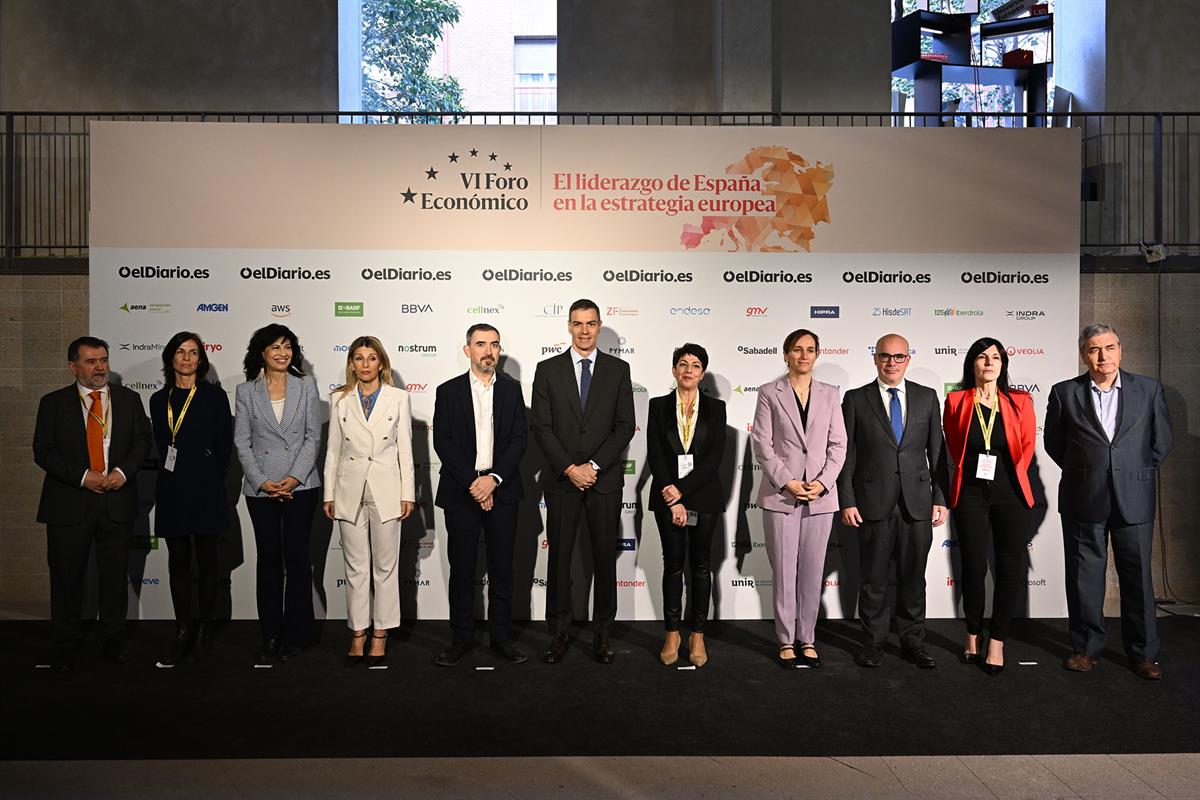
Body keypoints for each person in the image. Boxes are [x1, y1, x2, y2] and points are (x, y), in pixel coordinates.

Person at [1045, 323, 1173, 680]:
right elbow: (1055, 444)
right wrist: (1088, 469)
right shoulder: (1064, 393)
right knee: (1085, 577)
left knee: (1138, 578)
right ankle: (1085, 649)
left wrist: (1132, 470)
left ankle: (1144, 654)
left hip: (1135, 495)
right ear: (1084, 354)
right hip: (1084, 496)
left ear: (1121, 349)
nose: (1103, 356)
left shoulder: (1148, 389)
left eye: (1110, 347)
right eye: (1094, 349)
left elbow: (1161, 441)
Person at [33, 336, 151, 670]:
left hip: (117, 500)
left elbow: (142, 442)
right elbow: (43, 451)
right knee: (67, 577)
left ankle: (113, 639)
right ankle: (66, 641)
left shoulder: (129, 399)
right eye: (90, 361)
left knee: (114, 577)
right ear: (73, 366)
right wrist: (85, 477)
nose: (99, 368)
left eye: (103, 360)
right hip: (69, 503)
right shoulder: (53, 403)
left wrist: (121, 473)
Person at [531, 299, 635, 664]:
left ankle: (603, 634)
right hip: (562, 482)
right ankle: (558, 633)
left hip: (603, 481)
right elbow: (541, 427)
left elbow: (624, 427)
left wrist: (591, 465)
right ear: (569, 326)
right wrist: (570, 468)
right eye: (578, 324)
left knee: (605, 559)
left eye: (591, 324)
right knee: (558, 559)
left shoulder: (619, 370)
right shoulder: (547, 369)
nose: (585, 330)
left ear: (600, 325)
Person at [839, 333, 948, 668]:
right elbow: (847, 455)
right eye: (885, 356)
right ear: (875, 358)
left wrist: (940, 497)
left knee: (914, 577)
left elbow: (938, 453)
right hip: (872, 502)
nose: (891, 363)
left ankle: (913, 642)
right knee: (873, 578)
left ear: (908, 359)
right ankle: (873, 642)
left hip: (917, 504)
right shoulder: (856, 399)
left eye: (898, 357)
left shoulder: (927, 397)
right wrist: (847, 499)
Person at [433, 324, 529, 667]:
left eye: (494, 345)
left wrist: (493, 480)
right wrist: (474, 483)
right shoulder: (448, 391)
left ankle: (501, 638)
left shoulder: (513, 390)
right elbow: (442, 441)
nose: (488, 351)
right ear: (467, 349)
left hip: (502, 491)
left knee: (503, 568)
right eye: (480, 344)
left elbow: (519, 438)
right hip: (461, 493)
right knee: (461, 569)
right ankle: (461, 638)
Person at [752, 329, 846, 669]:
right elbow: (763, 445)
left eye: (810, 350)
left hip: (820, 498)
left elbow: (839, 445)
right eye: (797, 349)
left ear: (817, 355)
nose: (803, 355)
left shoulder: (830, 394)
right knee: (784, 571)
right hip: (782, 496)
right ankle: (785, 641)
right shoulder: (768, 393)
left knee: (812, 572)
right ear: (786, 354)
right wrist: (788, 481)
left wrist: (821, 483)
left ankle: (808, 639)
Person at [942, 337, 1036, 675]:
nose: (989, 363)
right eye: (982, 357)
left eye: (995, 357)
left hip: (1009, 493)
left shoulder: (1020, 401)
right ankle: (972, 635)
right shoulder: (955, 400)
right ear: (972, 364)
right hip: (970, 492)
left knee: (1009, 568)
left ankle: (997, 640)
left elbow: (1026, 448)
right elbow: (954, 447)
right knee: (972, 567)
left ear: (1003, 364)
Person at [323, 336, 415, 668]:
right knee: (356, 567)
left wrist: (408, 494)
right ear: (351, 363)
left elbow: (405, 449)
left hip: (387, 488)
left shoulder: (398, 398)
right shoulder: (339, 399)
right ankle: (358, 631)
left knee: (386, 568)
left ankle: (381, 632)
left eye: (371, 358)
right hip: (349, 488)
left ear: (381, 363)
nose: (365, 364)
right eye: (359, 358)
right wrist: (329, 494)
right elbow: (333, 450)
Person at [233, 324, 321, 665]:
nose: (282, 353)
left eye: (287, 347)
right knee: (269, 561)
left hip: (302, 487)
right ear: (262, 353)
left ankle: (298, 634)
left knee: (298, 560)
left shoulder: (307, 385)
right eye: (275, 348)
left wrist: (293, 478)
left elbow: (313, 437)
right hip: (261, 490)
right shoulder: (245, 391)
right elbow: (242, 441)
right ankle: (270, 634)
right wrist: (261, 481)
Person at [149, 331, 233, 666]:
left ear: (201, 359)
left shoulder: (214, 397)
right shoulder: (158, 399)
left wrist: (209, 474)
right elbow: (160, 441)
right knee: (178, 563)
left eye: (193, 352)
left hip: (207, 489)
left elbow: (225, 446)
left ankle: (204, 628)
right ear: (171, 358)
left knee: (209, 562)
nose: (187, 358)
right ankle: (182, 628)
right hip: (172, 490)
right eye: (181, 352)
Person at [647, 343, 726, 668]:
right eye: (682, 363)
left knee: (702, 567)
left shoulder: (716, 408)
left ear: (702, 372)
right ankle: (672, 633)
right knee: (673, 565)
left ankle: (697, 634)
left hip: (703, 498)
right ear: (674, 369)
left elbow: (713, 459)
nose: (689, 369)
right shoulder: (658, 406)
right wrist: (671, 493)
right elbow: (655, 453)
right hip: (666, 496)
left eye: (695, 364)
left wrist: (682, 492)